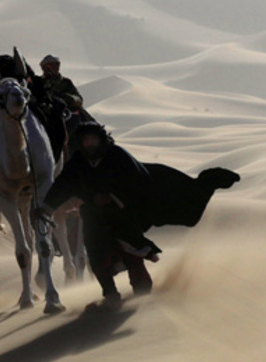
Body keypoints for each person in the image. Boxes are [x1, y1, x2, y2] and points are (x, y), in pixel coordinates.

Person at [44, 123, 239, 308]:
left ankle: (142, 294)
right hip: (94, 216)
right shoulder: (78, 162)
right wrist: (46, 207)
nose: (90, 144)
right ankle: (110, 295)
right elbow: (62, 185)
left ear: (101, 139)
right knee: (96, 254)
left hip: (124, 213)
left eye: (93, 140)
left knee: (131, 249)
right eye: (85, 140)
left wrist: (112, 197)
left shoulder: (117, 156)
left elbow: (137, 181)